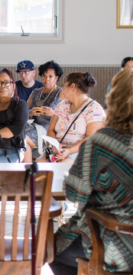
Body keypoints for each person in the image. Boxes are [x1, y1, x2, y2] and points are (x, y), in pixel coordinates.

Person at [50, 68, 133, 275]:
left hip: (112, 241)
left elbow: (74, 193)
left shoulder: (100, 142)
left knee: (51, 253)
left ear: (114, 99)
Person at [37, 72, 105, 163]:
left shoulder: (94, 108)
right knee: (36, 167)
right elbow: (50, 129)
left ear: (72, 87)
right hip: (56, 152)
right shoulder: (62, 105)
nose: (63, 89)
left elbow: (91, 138)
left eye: (65, 86)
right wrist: (55, 146)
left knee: (60, 168)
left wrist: (69, 151)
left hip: (78, 152)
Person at [24, 60, 64, 162]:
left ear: (56, 78)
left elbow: (69, 115)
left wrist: (54, 114)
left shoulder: (61, 92)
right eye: (44, 76)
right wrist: (31, 113)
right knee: (16, 134)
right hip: (32, 126)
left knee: (21, 138)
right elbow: (24, 113)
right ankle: (26, 169)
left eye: (50, 76)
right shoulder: (36, 92)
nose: (47, 79)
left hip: (49, 130)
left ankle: (27, 170)